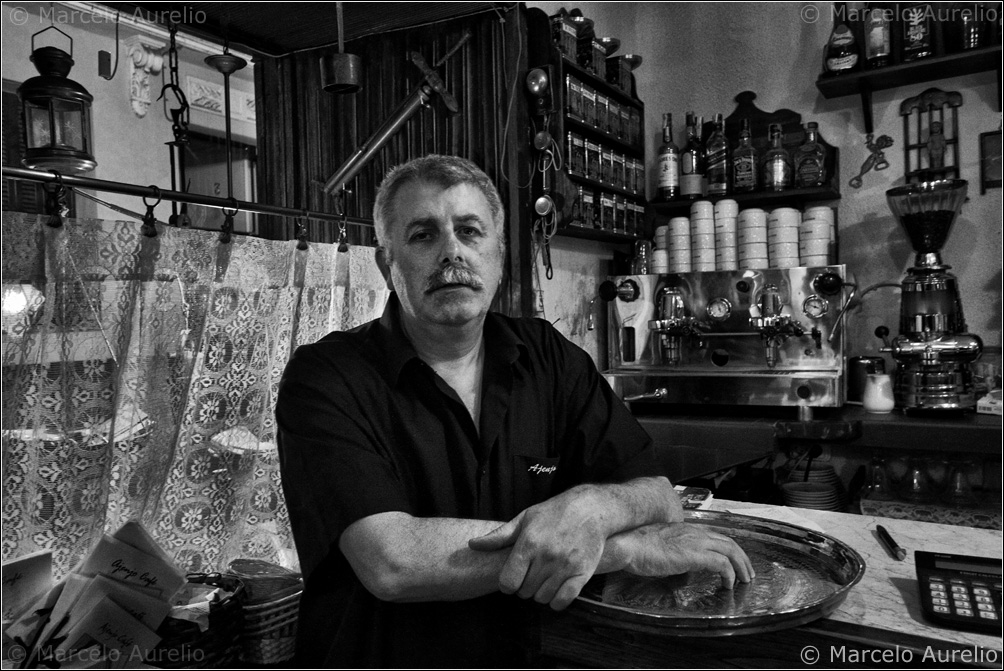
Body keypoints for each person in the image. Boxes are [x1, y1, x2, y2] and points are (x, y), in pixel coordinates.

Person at [276, 154, 753, 668]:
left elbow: (655, 494)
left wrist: (593, 507)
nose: (451, 251)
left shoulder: (547, 356)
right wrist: (610, 548)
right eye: (422, 235)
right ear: (386, 264)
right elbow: (393, 561)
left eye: (469, 231)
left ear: (499, 257)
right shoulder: (326, 376)